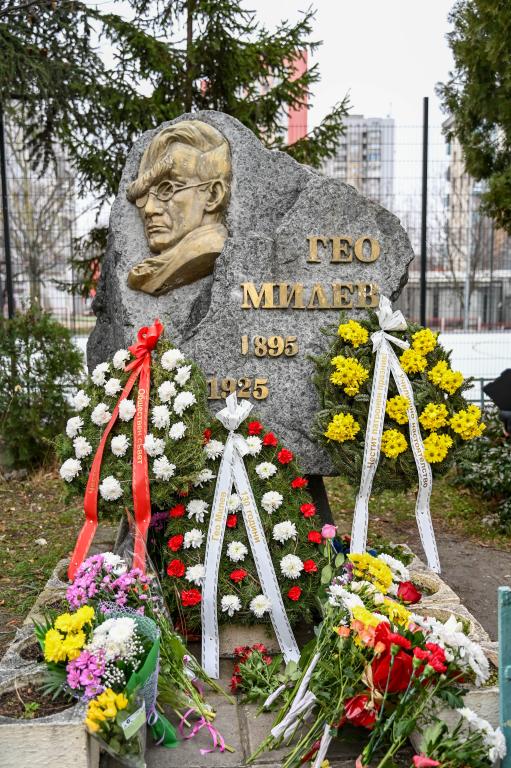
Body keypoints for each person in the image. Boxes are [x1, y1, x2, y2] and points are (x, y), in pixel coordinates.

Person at [126, 120, 231, 295]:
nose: (150, 209)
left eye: (167, 189)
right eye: (144, 195)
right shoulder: (150, 269)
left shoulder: (211, 252)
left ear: (213, 195)